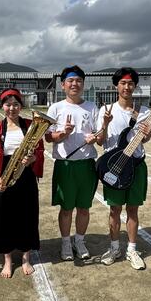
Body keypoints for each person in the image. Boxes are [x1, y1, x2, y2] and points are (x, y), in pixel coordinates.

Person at [96, 67, 151, 270]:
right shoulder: (106, 110)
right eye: (122, 83)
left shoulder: (144, 111)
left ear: (135, 86)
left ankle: (131, 249)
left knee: (133, 209)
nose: (126, 87)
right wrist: (104, 123)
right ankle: (114, 248)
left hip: (135, 165)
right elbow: (100, 141)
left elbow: (145, 139)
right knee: (114, 209)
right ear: (116, 86)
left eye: (130, 83)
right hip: (113, 166)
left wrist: (147, 134)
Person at [45, 65, 100, 261]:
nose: (74, 84)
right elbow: (48, 137)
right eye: (70, 80)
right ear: (63, 85)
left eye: (78, 81)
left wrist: (95, 138)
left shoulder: (92, 107)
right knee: (66, 208)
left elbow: (99, 134)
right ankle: (66, 242)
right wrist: (63, 133)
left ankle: (80, 240)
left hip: (87, 164)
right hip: (65, 165)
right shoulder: (56, 108)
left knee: (84, 208)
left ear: (83, 84)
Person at [0, 89, 44, 278]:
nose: (11, 108)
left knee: (27, 214)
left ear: (21, 106)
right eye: (8, 104)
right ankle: (8, 259)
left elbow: (39, 149)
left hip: (25, 175)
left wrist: (32, 159)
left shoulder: (30, 125)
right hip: (4, 174)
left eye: (15, 104)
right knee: (4, 216)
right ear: (2, 106)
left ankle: (26, 257)